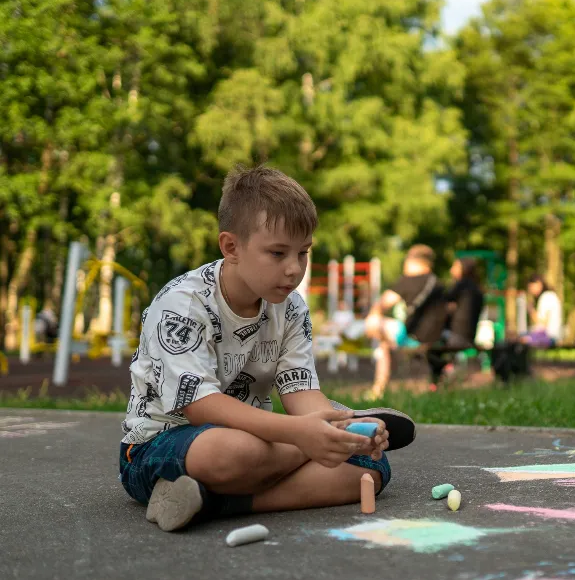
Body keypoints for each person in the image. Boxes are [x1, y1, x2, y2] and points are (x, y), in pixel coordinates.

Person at [119, 165, 416, 533]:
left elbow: (301, 393)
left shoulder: (290, 307)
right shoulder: (183, 304)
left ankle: (209, 503)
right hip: (162, 447)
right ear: (231, 247)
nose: (294, 269)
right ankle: (214, 488)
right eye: (278, 253)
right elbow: (200, 407)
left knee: (369, 469)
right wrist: (306, 436)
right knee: (230, 453)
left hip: (262, 443)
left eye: (303, 253)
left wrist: (343, 432)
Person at [364, 244, 447, 397]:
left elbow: (382, 304)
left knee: (374, 325)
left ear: (411, 261)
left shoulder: (408, 281)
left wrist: (374, 318)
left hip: (412, 337)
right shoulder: (439, 283)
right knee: (386, 342)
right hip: (437, 337)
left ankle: (378, 389)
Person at [427, 258, 485, 386]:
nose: (451, 270)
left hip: (456, 335)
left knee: (430, 346)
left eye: (455, 266)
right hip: (469, 335)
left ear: (463, 269)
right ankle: (446, 372)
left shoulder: (461, 285)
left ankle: (440, 378)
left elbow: (443, 304)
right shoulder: (476, 288)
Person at [523, 275, 563, 347]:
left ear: (539, 284)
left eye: (531, 287)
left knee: (520, 339)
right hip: (554, 335)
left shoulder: (546, 297)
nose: (531, 290)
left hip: (549, 337)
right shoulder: (550, 295)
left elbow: (543, 323)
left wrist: (531, 310)